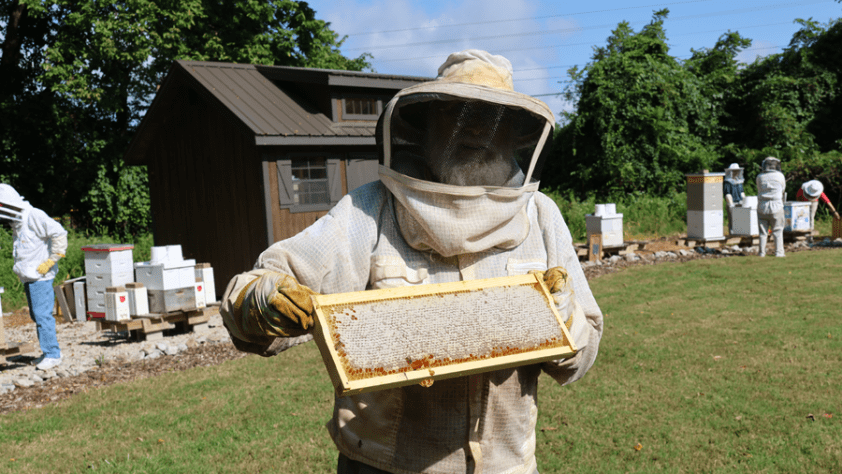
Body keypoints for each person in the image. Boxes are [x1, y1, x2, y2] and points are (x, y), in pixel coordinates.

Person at [220, 50, 603, 474]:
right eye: (458, 113)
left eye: (494, 119)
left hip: (506, 465)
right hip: (384, 465)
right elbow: (262, 290)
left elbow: (582, 359)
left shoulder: (542, 217)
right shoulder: (369, 211)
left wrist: (561, 317)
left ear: (516, 136)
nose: (476, 128)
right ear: (425, 128)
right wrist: (263, 301)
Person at [0, 184, 67, 370]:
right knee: (36, 315)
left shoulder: (33, 215)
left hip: (41, 276)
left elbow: (59, 232)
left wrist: (52, 259)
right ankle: (50, 353)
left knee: (42, 316)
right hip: (30, 277)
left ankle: (53, 354)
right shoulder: (18, 222)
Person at [755, 157, 786, 257]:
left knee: (762, 232)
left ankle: (761, 253)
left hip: (762, 205)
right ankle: (779, 252)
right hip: (776, 205)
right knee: (777, 230)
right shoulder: (780, 176)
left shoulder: (759, 177)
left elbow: (758, 188)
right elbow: (783, 189)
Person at [723, 163, 746, 232]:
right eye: (734, 171)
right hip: (732, 203)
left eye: (737, 171)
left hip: (739, 203)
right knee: (732, 221)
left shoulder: (739, 181)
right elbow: (727, 194)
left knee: (740, 221)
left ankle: (739, 233)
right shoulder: (727, 182)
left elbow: (742, 192)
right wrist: (731, 204)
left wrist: (745, 201)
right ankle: (732, 233)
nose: (736, 172)